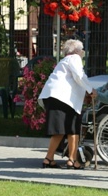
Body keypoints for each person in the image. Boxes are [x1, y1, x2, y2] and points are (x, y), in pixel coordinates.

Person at [38, 39, 94, 169]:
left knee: (60, 129)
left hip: (53, 96)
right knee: (72, 128)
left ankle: (49, 158)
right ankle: (72, 160)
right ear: (77, 51)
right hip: (63, 98)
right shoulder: (74, 58)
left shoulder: (64, 61)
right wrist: (91, 90)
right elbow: (79, 76)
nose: (82, 54)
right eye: (82, 51)